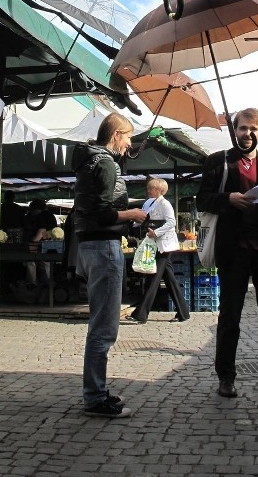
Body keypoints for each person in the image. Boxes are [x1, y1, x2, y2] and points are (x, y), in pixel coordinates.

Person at [196, 108, 258, 400]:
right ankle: (226, 377)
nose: (248, 133)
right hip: (233, 252)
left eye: (253, 129)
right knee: (230, 316)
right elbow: (201, 199)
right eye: (242, 128)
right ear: (234, 131)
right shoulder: (218, 162)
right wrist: (228, 199)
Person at [72, 112, 147, 418]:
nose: (130, 143)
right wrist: (132, 214)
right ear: (116, 134)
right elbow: (103, 213)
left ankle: (97, 390)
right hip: (103, 246)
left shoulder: (92, 161)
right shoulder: (103, 162)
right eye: (128, 136)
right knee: (104, 327)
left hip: (91, 246)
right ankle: (95, 398)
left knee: (101, 324)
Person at [126, 177, 190, 324]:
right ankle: (183, 312)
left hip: (164, 245)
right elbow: (143, 216)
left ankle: (140, 314)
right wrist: (133, 221)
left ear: (160, 190)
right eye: (148, 188)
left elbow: (171, 222)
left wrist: (156, 232)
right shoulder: (149, 202)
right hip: (154, 244)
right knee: (169, 279)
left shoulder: (165, 204)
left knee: (153, 277)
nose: (148, 190)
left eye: (152, 188)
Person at [24, 198, 58, 290]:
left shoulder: (41, 216)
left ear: (36, 209)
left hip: (43, 246)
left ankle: (32, 285)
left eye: (32, 210)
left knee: (31, 262)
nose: (32, 213)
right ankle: (49, 288)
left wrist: (33, 242)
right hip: (52, 244)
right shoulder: (51, 215)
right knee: (48, 265)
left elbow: (41, 231)